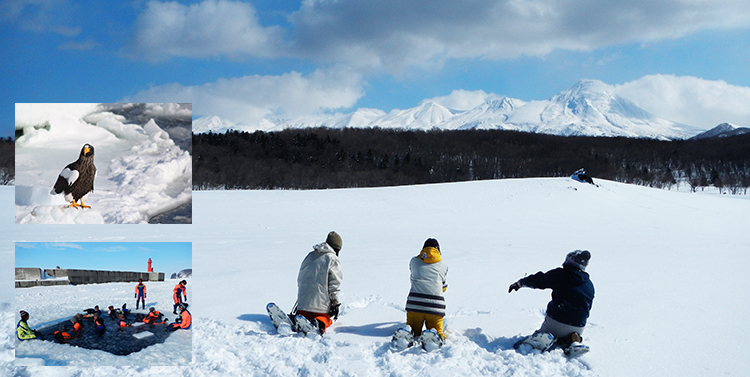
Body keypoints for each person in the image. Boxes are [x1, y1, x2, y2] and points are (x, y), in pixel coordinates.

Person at [508, 250, 595, 348]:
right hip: (579, 326)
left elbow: (539, 280)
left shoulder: (560, 274)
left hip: (557, 322)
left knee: (530, 340)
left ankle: (546, 336)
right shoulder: (589, 284)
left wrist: (520, 283)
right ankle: (572, 339)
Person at [294, 231, 343, 335]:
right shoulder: (332, 259)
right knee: (326, 319)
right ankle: (318, 324)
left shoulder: (310, 255)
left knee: (304, 314)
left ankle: (296, 320)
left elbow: (300, 278)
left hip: (303, 303)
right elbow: (334, 284)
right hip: (320, 305)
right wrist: (335, 301)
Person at [405, 238, 449, 340]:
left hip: (414, 305)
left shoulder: (414, 261)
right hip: (436, 307)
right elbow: (443, 288)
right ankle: (434, 340)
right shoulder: (444, 265)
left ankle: (406, 337)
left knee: (412, 332)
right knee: (437, 333)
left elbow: (412, 279)